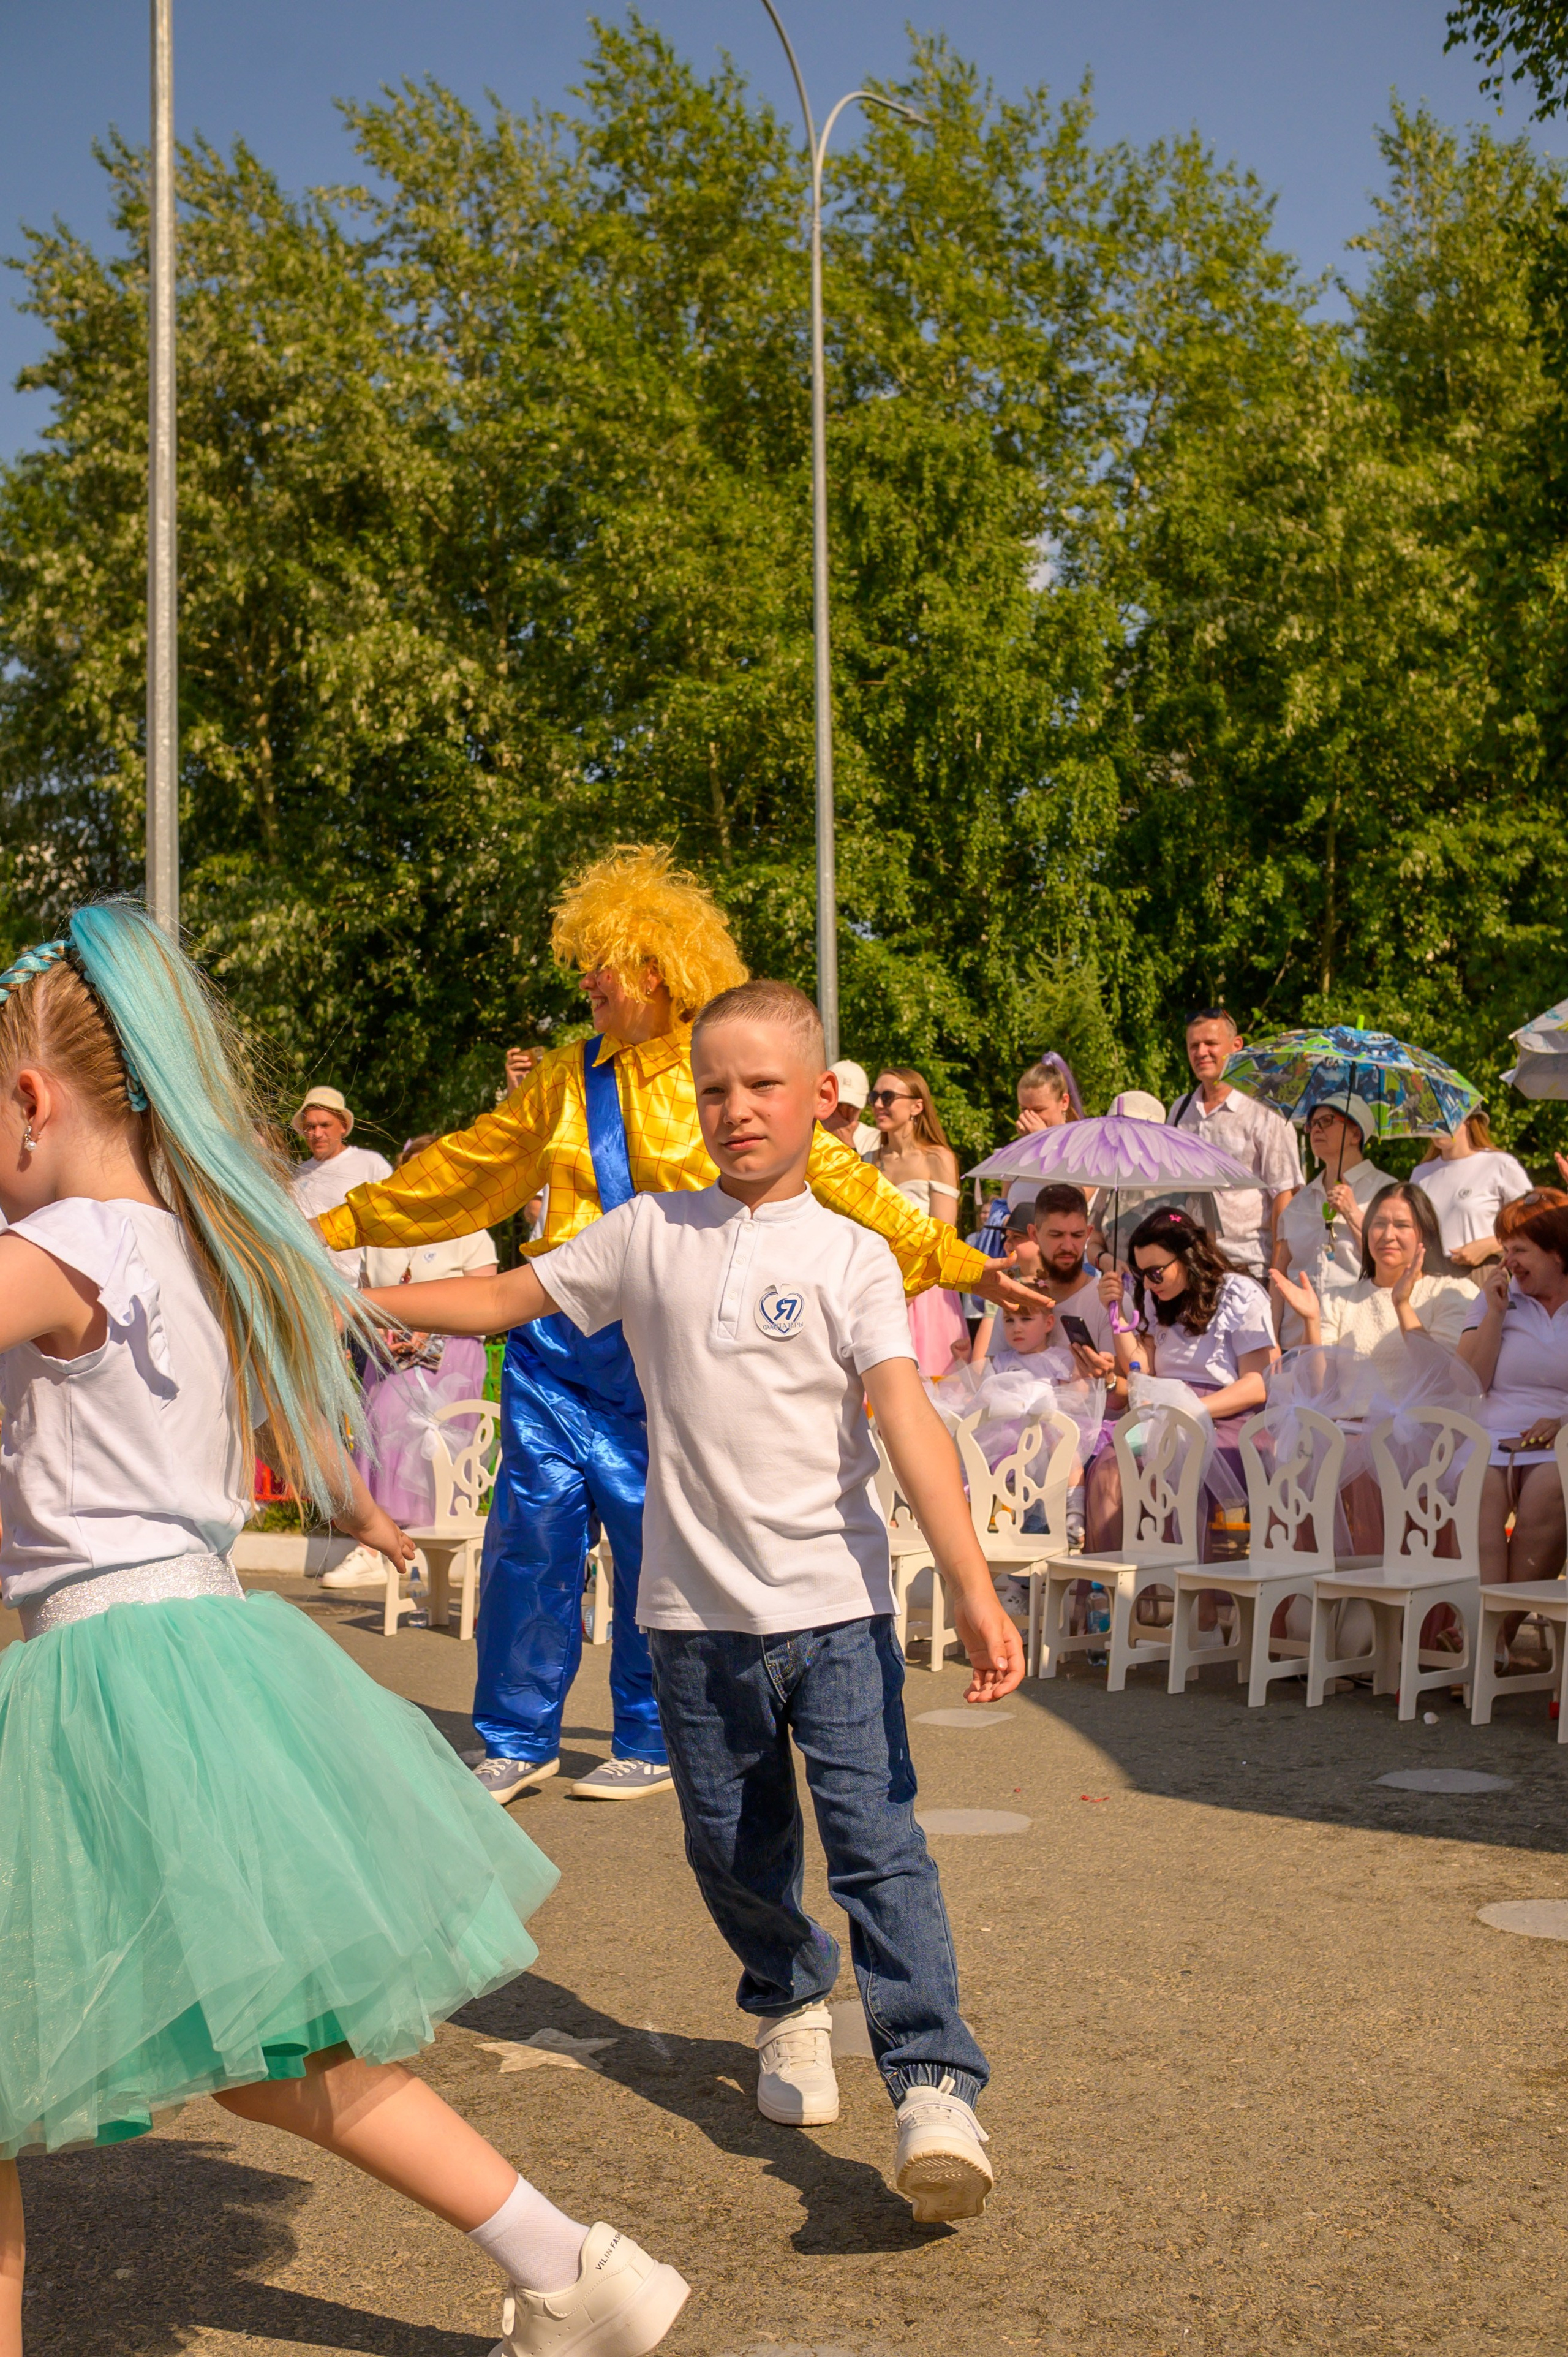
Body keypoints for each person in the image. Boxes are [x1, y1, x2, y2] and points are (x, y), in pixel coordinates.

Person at [0, 907, 688, 2357]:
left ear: (27, 1098)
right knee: (273, 2049)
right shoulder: (196, 1246)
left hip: (103, 1674)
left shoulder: (63, 1242)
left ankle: (570, 2266)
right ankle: (569, 2262)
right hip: (197, 1655)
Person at [365, 977, 1024, 2226]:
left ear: (820, 1100)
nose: (733, 1109)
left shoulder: (851, 1255)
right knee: (730, 1849)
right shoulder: (647, 1234)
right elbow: (504, 1300)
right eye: (710, 1087)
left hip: (833, 1615)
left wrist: (975, 1592)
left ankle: (934, 2088)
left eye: (761, 1085)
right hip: (684, 1621)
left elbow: (905, 1418)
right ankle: (786, 2006)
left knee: (879, 1847)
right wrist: (355, 1293)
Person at [315, 847, 1033, 1809]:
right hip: (553, 1341)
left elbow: (846, 1183)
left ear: (655, 966)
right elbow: (464, 1170)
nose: (586, 982)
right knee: (529, 1540)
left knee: (654, 1545)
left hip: (664, 1356)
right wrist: (330, 1230)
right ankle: (515, 1733)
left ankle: (651, 1733)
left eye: (600, 964)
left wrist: (963, 1261)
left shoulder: (721, 1070)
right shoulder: (567, 1078)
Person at [323, 1134, 500, 1591]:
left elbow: (485, 1297)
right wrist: (378, 1331)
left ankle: (419, 1550)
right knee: (376, 1421)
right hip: (387, 1355)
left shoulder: (469, 1228)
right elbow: (363, 1296)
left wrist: (425, 1329)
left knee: (426, 1439)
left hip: (451, 1351)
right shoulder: (383, 1232)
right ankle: (374, 1542)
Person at [1088, 1208, 1276, 1558]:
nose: (1148, 1283)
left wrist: (1191, 1409)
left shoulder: (1240, 1293)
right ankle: (1118, 1596)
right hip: (1166, 1418)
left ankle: (1196, 1601)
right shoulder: (1153, 1298)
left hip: (1228, 1420)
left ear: (1189, 1256)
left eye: (1155, 1272)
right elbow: (1138, 1370)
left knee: (1175, 1470)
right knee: (1111, 1468)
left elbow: (1257, 1384)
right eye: (1142, 1274)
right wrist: (1115, 1312)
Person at [1457, 1201, 1568, 1585]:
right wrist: (1495, 1315)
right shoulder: (1496, 1298)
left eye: (1519, 1250)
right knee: (1477, 1492)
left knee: (1550, 1490)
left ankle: (1496, 1629)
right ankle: (1492, 1632)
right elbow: (1471, 1382)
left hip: (1561, 1437)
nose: (1508, 1263)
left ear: (1556, 1252)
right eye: (1504, 1250)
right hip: (1494, 1436)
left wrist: (1564, 1423)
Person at [1269, 1183, 1476, 1362]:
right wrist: (1311, 1321)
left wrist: (1402, 1305)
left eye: (1402, 1225)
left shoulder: (1453, 1292)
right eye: (1379, 1224)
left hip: (1426, 1409)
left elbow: (1444, 1378)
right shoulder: (1337, 1300)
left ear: (1424, 1233)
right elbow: (1319, 1388)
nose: (1388, 1235)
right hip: (1351, 1410)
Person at [1167, 1008, 1302, 1279]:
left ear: (1236, 1046)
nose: (1201, 1052)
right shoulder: (1180, 1111)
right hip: (1192, 1269)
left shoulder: (1265, 1110)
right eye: (1194, 1045)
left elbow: (1285, 1197)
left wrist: (1278, 1277)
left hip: (1250, 1269)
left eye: (1211, 1044)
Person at [863, 1065, 973, 1379]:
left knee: (933, 1394)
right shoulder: (868, 1160)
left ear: (917, 1106)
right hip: (878, 1286)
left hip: (927, 1290)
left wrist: (907, 1292)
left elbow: (943, 1237)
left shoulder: (938, 1158)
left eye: (888, 1096)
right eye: (874, 1096)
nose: (878, 1104)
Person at [1273, 1102, 1395, 1341]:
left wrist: (1352, 1213)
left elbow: (1392, 1265)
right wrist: (1272, 1342)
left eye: (1326, 1121)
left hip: (1357, 1337)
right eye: (1312, 1124)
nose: (1316, 1129)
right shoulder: (1299, 1203)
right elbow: (1280, 1276)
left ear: (1356, 1134)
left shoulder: (1388, 1192)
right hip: (1296, 1341)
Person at [287, 1087, 391, 1279]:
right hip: (307, 1287)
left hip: (355, 1290)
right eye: (310, 1127)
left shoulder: (371, 1165)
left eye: (325, 1125)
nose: (317, 1133)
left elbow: (388, 1224)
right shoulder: (296, 1174)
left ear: (343, 1126)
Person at [1412, 1111, 1534, 1269]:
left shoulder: (1499, 1164)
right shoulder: (1421, 1174)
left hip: (1484, 1274)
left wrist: (1490, 1245)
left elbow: (1532, 1221)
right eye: (1429, 1119)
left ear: (1468, 1119)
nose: (1435, 1126)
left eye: (1443, 1118)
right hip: (1430, 1276)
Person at [1004, 1053, 1081, 1209]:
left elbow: (1077, 1201)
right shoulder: (1018, 1152)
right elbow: (1002, 1204)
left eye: (1039, 1110)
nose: (1029, 1116)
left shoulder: (1083, 1144)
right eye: (1024, 1109)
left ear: (1064, 1102)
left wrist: (1044, 1144)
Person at [821, 1058, 878, 1154]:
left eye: (852, 1106)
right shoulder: (809, 1132)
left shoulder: (875, 1140)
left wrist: (848, 1144)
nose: (844, 1112)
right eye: (838, 1105)